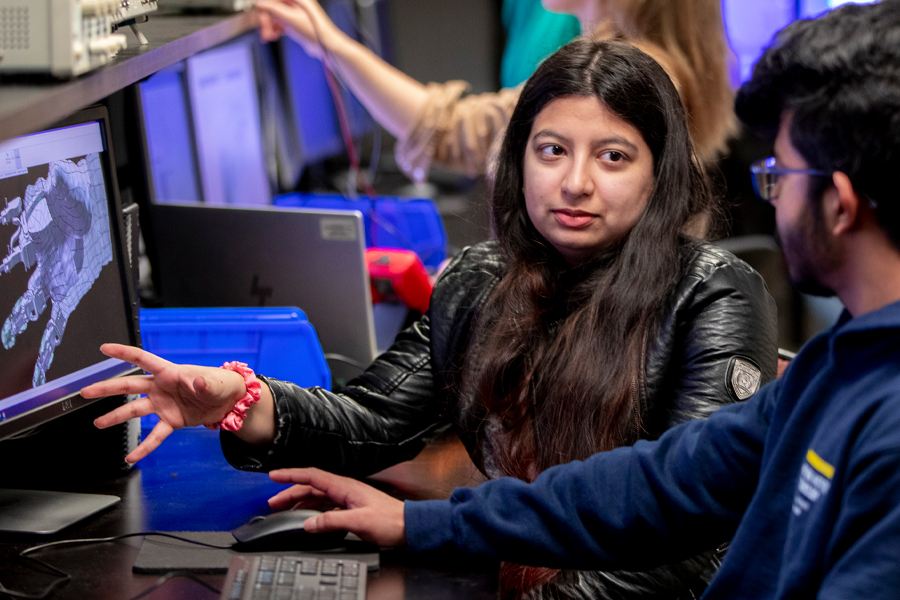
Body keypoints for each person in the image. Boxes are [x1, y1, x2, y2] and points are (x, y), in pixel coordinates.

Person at [236, 2, 900, 598]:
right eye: (551, 151)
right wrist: (425, 524)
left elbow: (683, 547)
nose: (772, 194)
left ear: (838, 203)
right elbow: (653, 487)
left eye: (779, 174)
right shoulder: (840, 363)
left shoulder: (877, 416)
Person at [85, 40, 777, 598]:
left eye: (614, 157)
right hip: (512, 570)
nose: (575, 183)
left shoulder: (713, 297)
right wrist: (243, 402)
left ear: (661, 176)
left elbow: (688, 539)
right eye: (553, 150)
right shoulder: (480, 281)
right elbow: (374, 422)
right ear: (520, 162)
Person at [255, 0, 735, 183]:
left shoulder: (629, 75)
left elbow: (453, 132)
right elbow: (455, 129)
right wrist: (327, 40)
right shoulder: (628, 60)